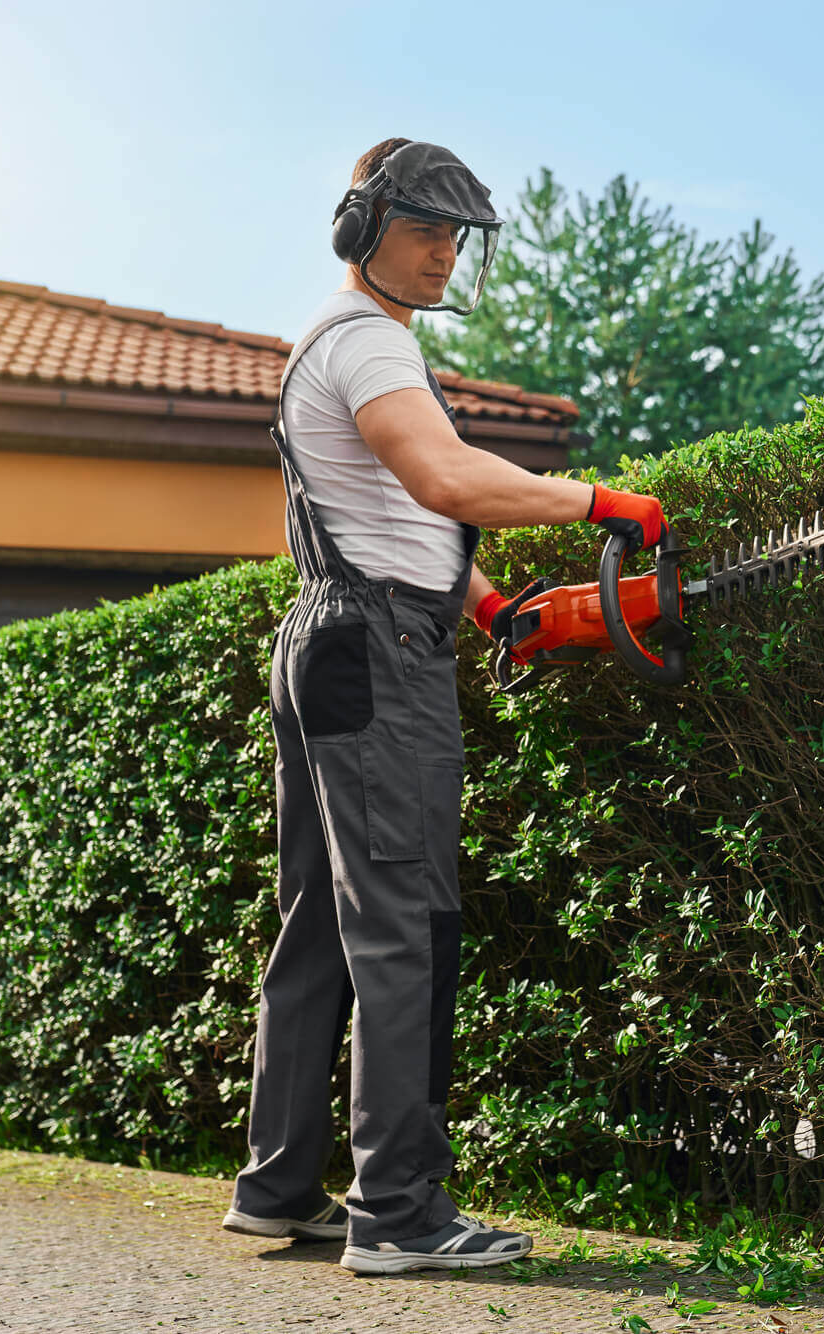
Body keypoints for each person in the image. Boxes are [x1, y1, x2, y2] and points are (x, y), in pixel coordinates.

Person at [219, 136, 666, 1275]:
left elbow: (391, 514)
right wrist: (600, 499)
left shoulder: (349, 344)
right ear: (361, 226)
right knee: (406, 922)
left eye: (455, 236)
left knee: (320, 920)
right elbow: (445, 479)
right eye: (423, 229)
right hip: (372, 652)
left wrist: (491, 608)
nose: (443, 254)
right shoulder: (367, 343)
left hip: (338, 633)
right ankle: (399, 1214)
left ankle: (278, 1187)